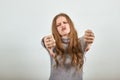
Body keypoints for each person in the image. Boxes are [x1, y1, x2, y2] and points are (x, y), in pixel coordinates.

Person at [41, 13, 95, 80]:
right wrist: (45, 40)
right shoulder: (53, 43)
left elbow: (86, 38)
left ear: (70, 25)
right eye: (58, 25)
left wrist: (89, 37)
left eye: (65, 22)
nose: (62, 25)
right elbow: (44, 41)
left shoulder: (80, 42)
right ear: (56, 29)